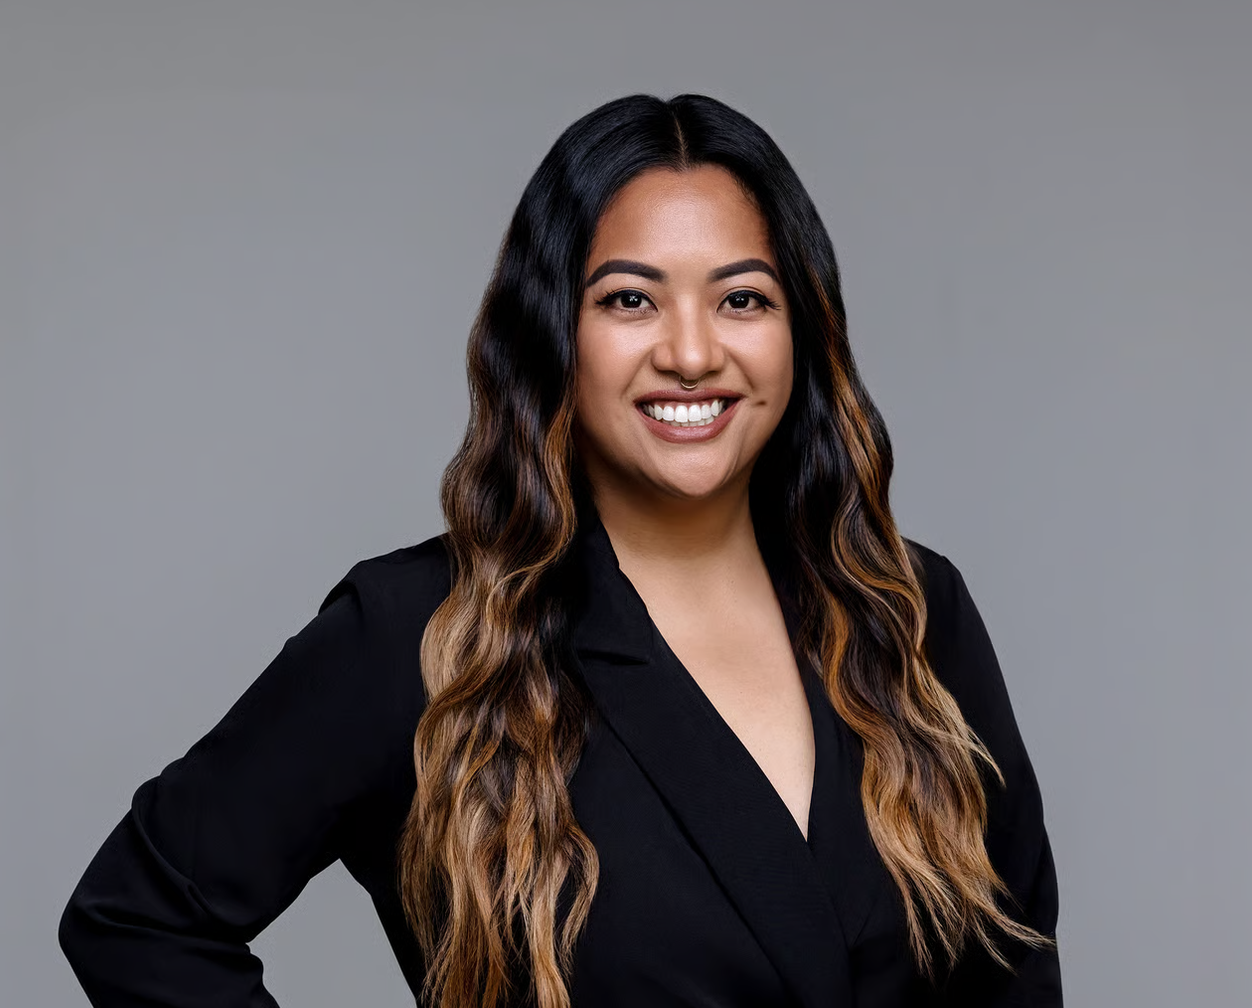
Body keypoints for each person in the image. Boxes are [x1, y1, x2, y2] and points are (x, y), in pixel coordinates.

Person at [59, 93, 1062, 1007]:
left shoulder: (909, 613)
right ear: (552, 331)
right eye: (630, 299)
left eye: (741, 299)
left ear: (801, 327)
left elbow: (1016, 974)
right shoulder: (421, 634)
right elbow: (138, 918)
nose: (692, 352)